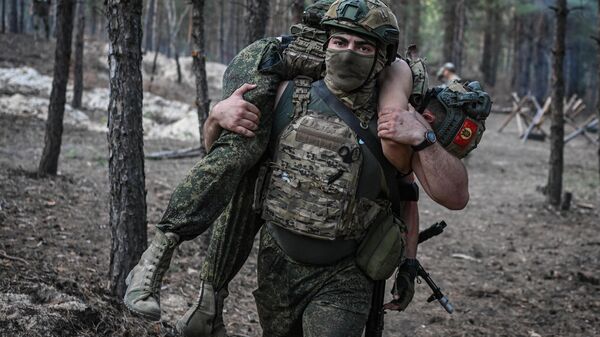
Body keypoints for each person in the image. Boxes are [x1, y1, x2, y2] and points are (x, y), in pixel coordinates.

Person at [178, 1, 469, 336]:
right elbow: (222, 160)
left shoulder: (392, 118)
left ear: (380, 58)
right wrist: (216, 117)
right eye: (340, 42)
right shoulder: (286, 94)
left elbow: (427, 196)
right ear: (326, 43)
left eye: (363, 46)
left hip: (345, 274)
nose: (349, 53)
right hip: (278, 267)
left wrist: (425, 140)